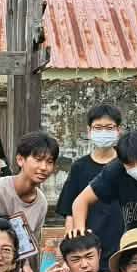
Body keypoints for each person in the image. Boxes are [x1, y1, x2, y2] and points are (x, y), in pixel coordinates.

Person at [0, 131, 61, 269]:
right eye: (38, 160)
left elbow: (29, 247)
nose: (44, 167)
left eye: (49, 162)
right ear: (20, 160)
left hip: (13, 271)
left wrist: (25, 264)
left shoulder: (41, 203)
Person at [56, 102, 125, 257]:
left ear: (118, 130)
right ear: (89, 131)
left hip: (121, 246)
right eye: (98, 128)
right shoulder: (79, 167)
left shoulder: (126, 165)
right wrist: (70, 249)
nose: (103, 132)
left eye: (109, 128)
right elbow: (69, 212)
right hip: (89, 248)